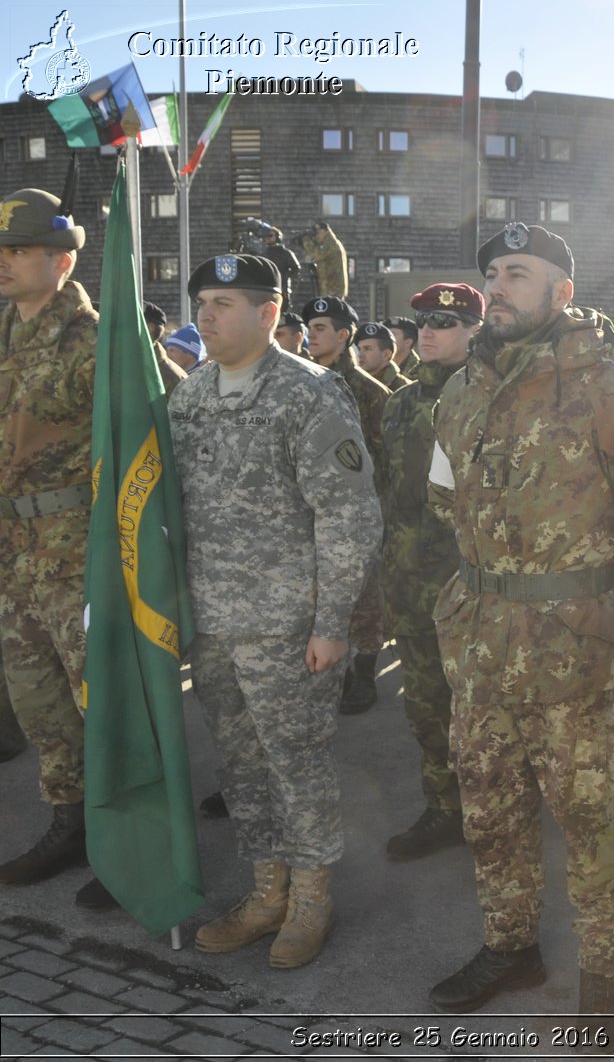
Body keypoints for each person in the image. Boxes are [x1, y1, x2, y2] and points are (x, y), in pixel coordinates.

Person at [425, 223, 614, 1042]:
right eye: (494, 272)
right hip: (479, 641)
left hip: (571, 645)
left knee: (588, 817)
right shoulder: (460, 390)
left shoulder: (611, 391)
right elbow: (444, 498)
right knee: (489, 807)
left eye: (519, 273)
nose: (498, 286)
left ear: (562, 293)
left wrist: (577, 584)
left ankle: (606, 977)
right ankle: (511, 946)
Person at [171, 252, 381, 969]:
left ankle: (311, 898)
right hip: (216, 626)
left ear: (268, 314)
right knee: (241, 767)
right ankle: (266, 892)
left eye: (224, 301)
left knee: (297, 764)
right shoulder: (191, 396)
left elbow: (349, 518)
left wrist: (332, 624)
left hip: (290, 628)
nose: (206, 313)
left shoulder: (310, 394)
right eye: (202, 299)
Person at [0, 188, 96, 895]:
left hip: (76, 556)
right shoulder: (5, 332)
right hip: (14, 555)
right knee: (38, 701)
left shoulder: (97, 341)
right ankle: (71, 821)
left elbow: (158, 430)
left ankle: (130, 835)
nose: (3, 263)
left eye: (18, 250)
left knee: (105, 701)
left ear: (60, 260)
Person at [376, 284, 481, 862]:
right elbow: (389, 497)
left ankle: (495, 806)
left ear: (474, 332)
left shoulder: (486, 398)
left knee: (483, 707)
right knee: (425, 706)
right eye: (423, 323)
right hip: (412, 584)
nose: (429, 332)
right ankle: (445, 809)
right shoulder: (398, 402)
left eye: (446, 322)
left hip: (469, 585)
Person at [302, 296, 392, 712]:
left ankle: (365, 674)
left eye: (320, 328)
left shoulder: (371, 392)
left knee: (366, 597)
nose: (310, 335)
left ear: (343, 336)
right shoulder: (302, 385)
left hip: (361, 509)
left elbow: (387, 461)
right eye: (309, 328)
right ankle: (333, 674)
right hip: (314, 509)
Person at [356, 321, 412, 390]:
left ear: (386, 354)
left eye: (367, 349)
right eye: (359, 349)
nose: (360, 355)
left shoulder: (404, 389)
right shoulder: (356, 384)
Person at [300, 221, 348, 300]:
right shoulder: (328, 244)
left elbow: (316, 254)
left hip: (333, 289)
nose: (317, 236)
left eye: (319, 233)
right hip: (330, 288)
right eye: (315, 234)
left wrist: (306, 241)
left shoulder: (331, 244)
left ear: (327, 232)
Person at [261, 226, 301, 308]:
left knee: (283, 310)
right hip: (268, 287)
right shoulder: (264, 253)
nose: (267, 238)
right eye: (266, 236)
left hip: (283, 288)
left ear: (278, 237)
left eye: (270, 235)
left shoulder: (286, 253)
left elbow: (296, 268)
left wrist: (285, 276)